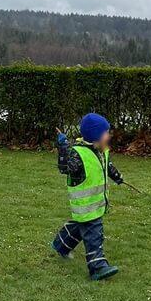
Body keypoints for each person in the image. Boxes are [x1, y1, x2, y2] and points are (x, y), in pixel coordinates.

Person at [52, 112, 124, 280]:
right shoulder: (78, 154)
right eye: (106, 132)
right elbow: (65, 168)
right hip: (86, 205)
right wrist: (63, 147)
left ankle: (61, 244)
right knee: (94, 234)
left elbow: (107, 166)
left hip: (94, 204)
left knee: (80, 227)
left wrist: (117, 176)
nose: (109, 135)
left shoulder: (101, 151)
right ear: (96, 135)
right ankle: (98, 267)